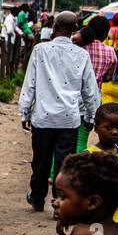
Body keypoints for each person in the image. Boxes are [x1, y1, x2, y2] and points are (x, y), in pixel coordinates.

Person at [20, 11, 99, 211]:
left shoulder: (40, 50)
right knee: (64, 164)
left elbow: (30, 83)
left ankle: (37, 198)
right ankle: (59, 202)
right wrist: (91, 115)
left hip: (43, 117)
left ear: (54, 28)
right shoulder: (82, 54)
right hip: (69, 118)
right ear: (74, 30)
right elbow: (90, 90)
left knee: (40, 161)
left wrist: (25, 111)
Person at [76, 16, 115, 155]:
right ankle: (75, 169)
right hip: (91, 99)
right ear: (105, 33)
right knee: (81, 139)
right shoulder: (110, 52)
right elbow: (108, 78)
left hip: (71, 96)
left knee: (63, 137)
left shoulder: (79, 47)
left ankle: (53, 173)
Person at [86, 103, 118, 221]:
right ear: (96, 128)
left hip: (117, 215)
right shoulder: (88, 156)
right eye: (109, 127)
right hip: (94, 213)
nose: (115, 132)